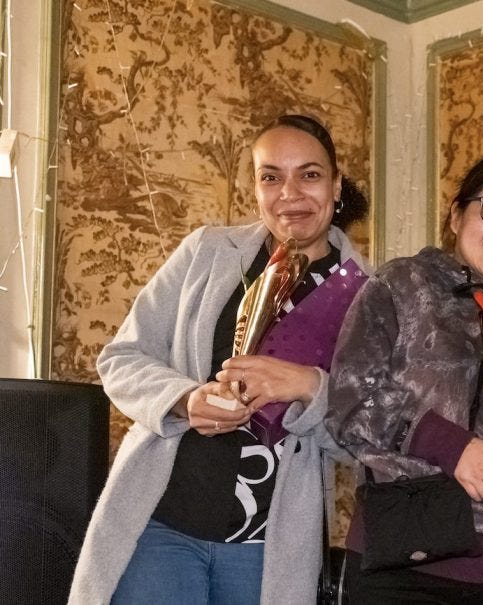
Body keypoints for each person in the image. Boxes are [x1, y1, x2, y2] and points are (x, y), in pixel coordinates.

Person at [69, 114, 370, 604]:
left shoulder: (368, 295)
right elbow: (121, 359)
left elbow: (367, 440)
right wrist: (185, 399)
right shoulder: (207, 252)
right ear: (254, 188)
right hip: (161, 525)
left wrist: (310, 387)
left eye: (310, 174)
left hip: (268, 546)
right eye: (271, 177)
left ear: (336, 185)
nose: (289, 194)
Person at [325, 154, 483, 604]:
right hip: (401, 557)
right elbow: (351, 401)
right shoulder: (400, 285)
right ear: (455, 212)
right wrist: (456, 449)